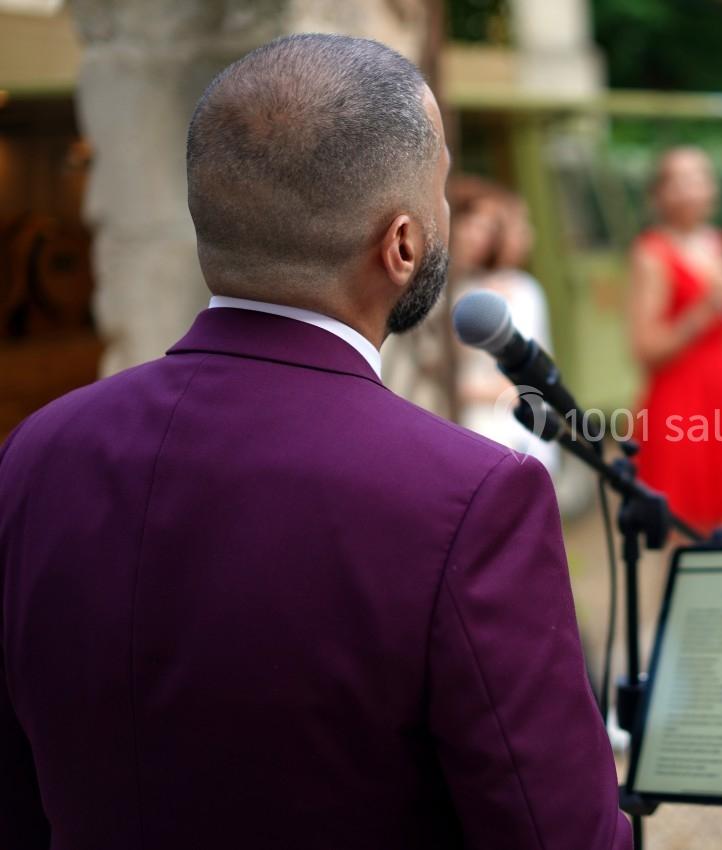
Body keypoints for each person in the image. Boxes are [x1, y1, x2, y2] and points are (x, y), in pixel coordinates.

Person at [0, 35, 628, 850]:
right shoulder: (469, 500)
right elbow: (557, 836)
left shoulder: (37, 451)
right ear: (402, 245)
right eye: (439, 187)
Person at [628, 146, 722, 533]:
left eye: (699, 177)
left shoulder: (718, 243)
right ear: (659, 193)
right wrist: (701, 312)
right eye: (679, 180)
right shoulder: (652, 254)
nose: (692, 189)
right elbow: (644, 346)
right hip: (679, 404)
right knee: (679, 530)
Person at [453, 187, 557, 471]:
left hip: (513, 417)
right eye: (472, 224)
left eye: (489, 227)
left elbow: (537, 367)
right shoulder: (450, 293)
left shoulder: (522, 290)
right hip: (469, 421)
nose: (476, 235)